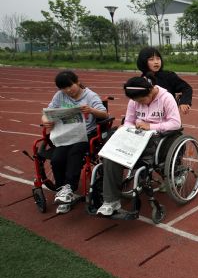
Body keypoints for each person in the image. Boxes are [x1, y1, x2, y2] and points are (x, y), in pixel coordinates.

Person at [96, 75, 181, 216]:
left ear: (150, 91)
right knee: (111, 154)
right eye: (136, 101)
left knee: (126, 152)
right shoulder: (134, 101)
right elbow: (129, 120)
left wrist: (151, 126)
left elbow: (175, 123)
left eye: (141, 100)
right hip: (136, 135)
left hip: (159, 137)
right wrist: (125, 128)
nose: (138, 103)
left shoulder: (166, 98)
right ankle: (111, 201)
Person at [41, 70, 109, 214]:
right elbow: (47, 113)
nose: (67, 90)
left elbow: (104, 114)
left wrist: (91, 110)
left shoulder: (90, 96)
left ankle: (69, 188)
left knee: (74, 154)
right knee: (57, 158)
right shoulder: (60, 96)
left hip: (85, 135)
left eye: (69, 86)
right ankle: (62, 192)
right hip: (66, 135)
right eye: (63, 88)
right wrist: (46, 121)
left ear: (77, 81)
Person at [136, 46, 193, 114]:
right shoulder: (141, 80)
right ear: (143, 62)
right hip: (148, 116)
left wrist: (184, 102)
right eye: (151, 59)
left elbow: (186, 88)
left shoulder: (168, 76)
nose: (156, 62)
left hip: (168, 116)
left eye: (158, 59)